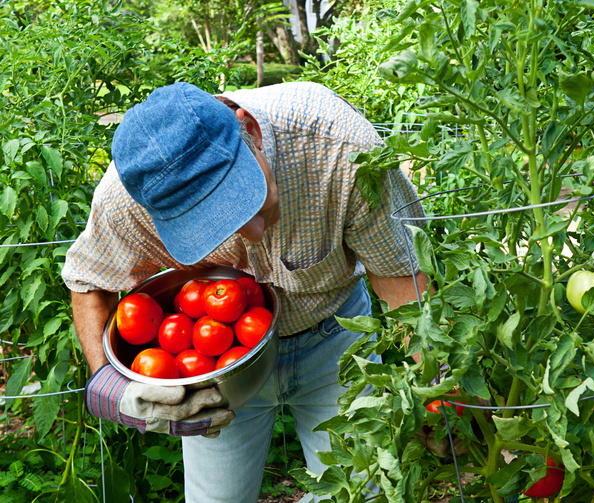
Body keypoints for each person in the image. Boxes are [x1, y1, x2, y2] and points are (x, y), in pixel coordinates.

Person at [61, 81, 428, 503]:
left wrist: (433, 383)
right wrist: (108, 382)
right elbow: (90, 281)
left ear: (248, 130)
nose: (252, 233)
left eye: (248, 200)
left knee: (357, 492)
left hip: (336, 341)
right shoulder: (127, 200)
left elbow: (401, 277)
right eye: (214, 224)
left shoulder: (340, 148)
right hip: (214, 375)